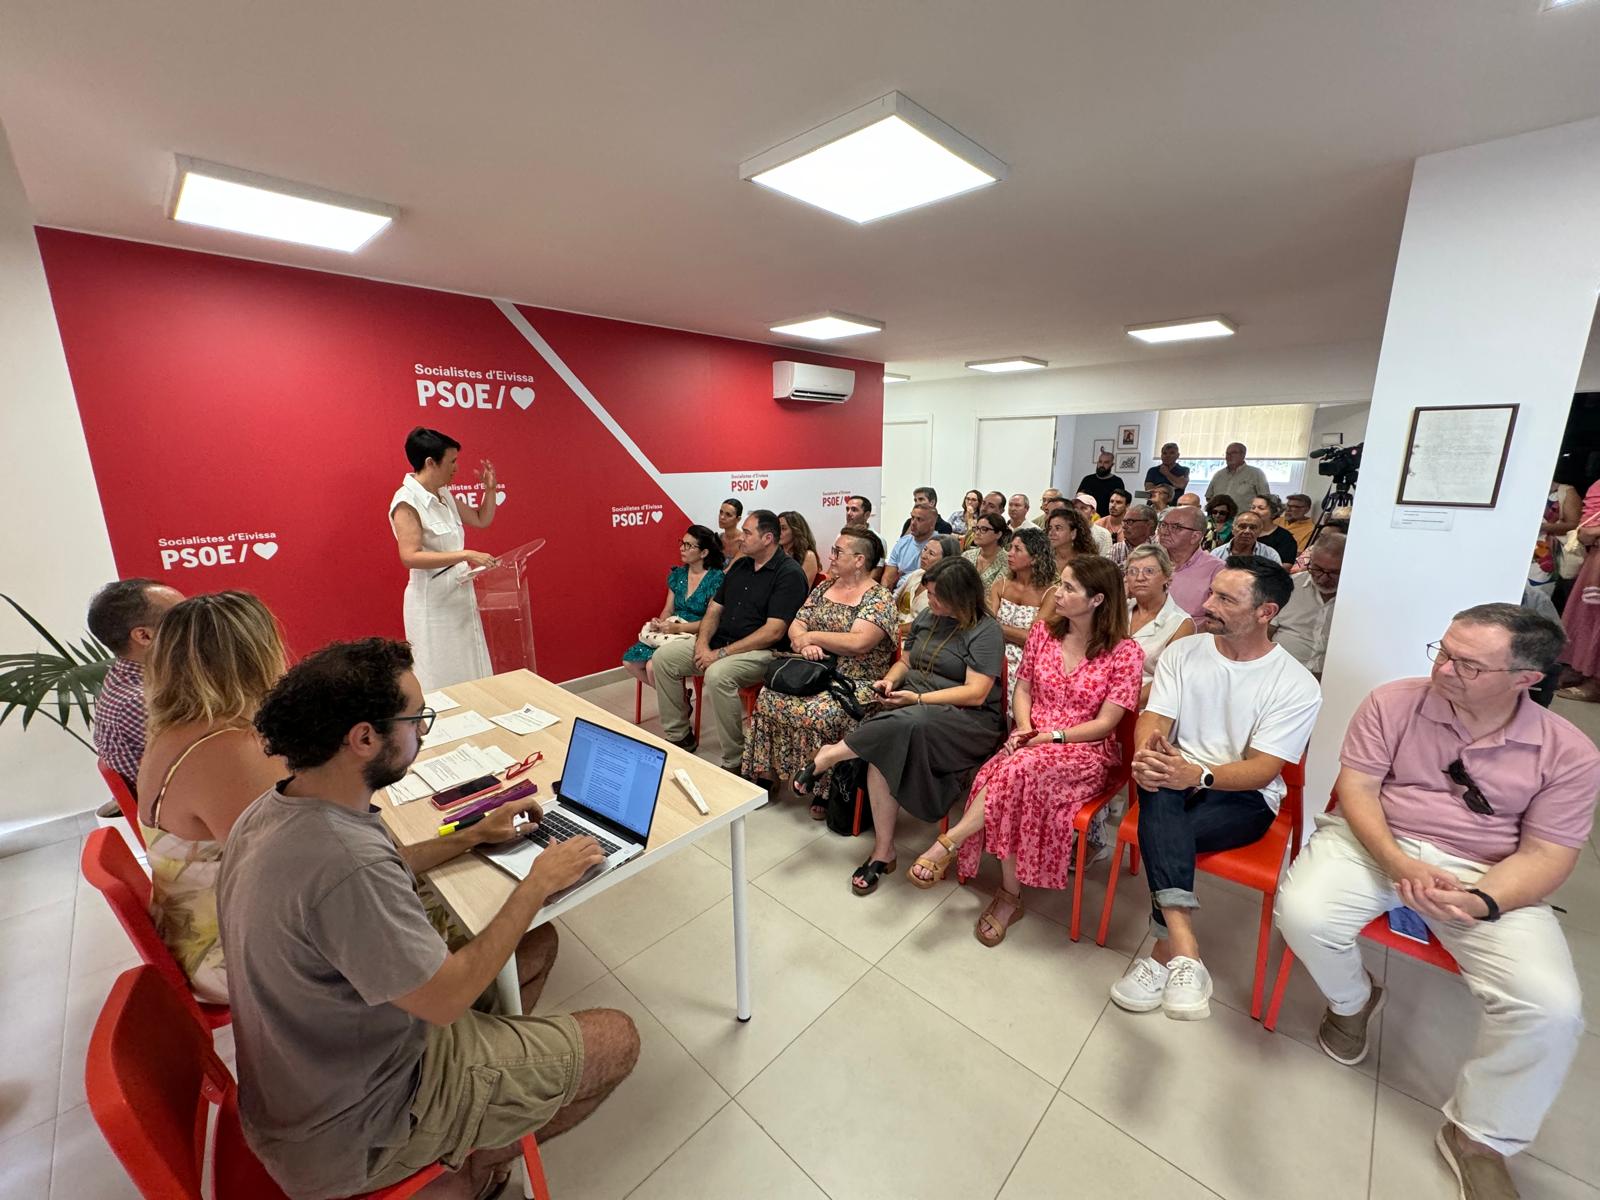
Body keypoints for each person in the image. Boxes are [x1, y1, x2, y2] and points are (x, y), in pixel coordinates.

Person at [221, 638, 639, 1200]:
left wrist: (471, 835)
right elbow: (444, 999)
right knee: (621, 1038)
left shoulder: (278, 807)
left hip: (321, 1070)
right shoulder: (345, 863)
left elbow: (372, 877)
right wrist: (538, 882)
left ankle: (494, 1090)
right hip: (362, 1123)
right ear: (364, 738)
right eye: (418, 720)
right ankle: (473, 1165)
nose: (423, 732)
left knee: (535, 948)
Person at [1276, 605, 1598, 1200]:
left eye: (1469, 664)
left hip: (1488, 870)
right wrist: (1399, 864)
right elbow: (1358, 789)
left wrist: (1482, 900)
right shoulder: (1394, 701)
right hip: (1377, 840)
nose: (1445, 669)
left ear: (1527, 678)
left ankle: (1479, 1136)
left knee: (1550, 1006)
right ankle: (1353, 1000)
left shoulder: (1568, 753)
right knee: (1303, 912)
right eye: (1443, 651)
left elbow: (1549, 855)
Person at [1109, 558, 1321, 1020]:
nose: (1208, 605)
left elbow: (1264, 770)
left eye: (1226, 599)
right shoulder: (1186, 653)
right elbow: (1155, 717)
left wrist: (1196, 774)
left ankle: (1165, 952)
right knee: (1163, 787)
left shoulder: (1295, 684)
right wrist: (1148, 751)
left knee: (1164, 822)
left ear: (1266, 612)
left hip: (1242, 796)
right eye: (1212, 592)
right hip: (1175, 780)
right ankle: (1187, 951)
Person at [911, 558, 1142, 944]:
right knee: (1016, 777)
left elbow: (1106, 724)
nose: (1058, 594)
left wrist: (1050, 737)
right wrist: (1023, 728)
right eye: (1061, 584)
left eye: (1069, 588)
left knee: (1014, 772)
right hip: (1030, 739)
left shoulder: (1125, 653)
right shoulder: (1044, 635)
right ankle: (1008, 895)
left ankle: (952, 845)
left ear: (1098, 599)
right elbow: (1024, 689)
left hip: (1083, 749)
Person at [800, 557, 1005, 895]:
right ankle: (884, 851)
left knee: (911, 720)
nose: (931, 602)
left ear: (961, 596)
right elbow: (906, 663)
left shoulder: (985, 630)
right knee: (887, 746)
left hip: (968, 719)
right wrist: (889, 682)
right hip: (913, 707)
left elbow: (976, 693)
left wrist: (918, 700)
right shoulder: (929, 616)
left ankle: (830, 755)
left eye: (938, 596)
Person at [136, 591, 289, 1005]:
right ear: (258, 656)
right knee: (447, 908)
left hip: (199, 929)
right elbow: (293, 873)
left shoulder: (178, 728)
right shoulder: (229, 748)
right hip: (227, 953)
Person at [748, 528, 896, 818]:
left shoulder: (879, 599)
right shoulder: (825, 586)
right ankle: (771, 772)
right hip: (811, 669)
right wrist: (804, 643)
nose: (831, 556)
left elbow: (858, 642)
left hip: (854, 679)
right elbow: (796, 624)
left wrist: (812, 637)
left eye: (838, 552)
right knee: (768, 697)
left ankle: (826, 786)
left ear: (859, 560)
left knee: (824, 711)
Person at [653, 509, 808, 764]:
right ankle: (679, 736)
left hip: (764, 652)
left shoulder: (788, 573)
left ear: (768, 538)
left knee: (718, 675)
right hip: (720, 642)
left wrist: (720, 654)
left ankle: (736, 759)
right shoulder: (742, 565)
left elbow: (774, 632)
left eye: (747, 533)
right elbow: (714, 608)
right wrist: (703, 645)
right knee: (664, 658)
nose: (741, 539)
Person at [390, 427, 501, 691]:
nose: (456, 468)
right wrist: (466, 554)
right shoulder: (406, 501)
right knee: (440, 676)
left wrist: (490, 490)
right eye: (452, 462)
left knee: (470, 670)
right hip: (434, 604)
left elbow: (480, 519)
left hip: (459, 596)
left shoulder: (444, 494)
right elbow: (410, 556)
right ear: (431, 462)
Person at [86, 578, 184, 789]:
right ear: (144, 636)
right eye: (183, 618)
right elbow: (207, 765)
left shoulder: (142, 676)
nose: (197, 624)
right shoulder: (139, 701)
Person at [620, 525, 725, 689]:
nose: (682, 548)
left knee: (652, 667)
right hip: (672, 630)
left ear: (704, 553)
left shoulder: (717, 578)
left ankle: (676, 705)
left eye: (689, 545)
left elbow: (712, 621)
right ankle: (681, 698)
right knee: (629, 662)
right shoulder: (678, 575)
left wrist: (677, 628)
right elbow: (668, 610)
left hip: (699, 635)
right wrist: (660, 622)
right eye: (682, 543)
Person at [1125, 545, 1195, 707]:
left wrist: (1119, 705)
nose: (1140, 578)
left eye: (1149, 571)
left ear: (1166, 577)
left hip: (1144, 706)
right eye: (1133, 571)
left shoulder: (1181, 624)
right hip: (1101, 698)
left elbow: (1166, 680)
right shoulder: (1120, 609)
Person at [989, 527, 1058, 692]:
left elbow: (1033, 639)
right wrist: (1012, 633)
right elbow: (985, 627)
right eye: (1010, 547)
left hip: (1029, 660)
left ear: (1035, 558)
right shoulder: (1000, 585)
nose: (1009, 553)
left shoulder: (1051, 593)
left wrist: (996, 627)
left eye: (1017, 549)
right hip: (994, 651)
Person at [1273, 530, 1344, 678]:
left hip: (1333, 678)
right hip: (1280, 672)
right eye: (1317, 569)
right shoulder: (1289, 586)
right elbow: (1265, 631)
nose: (1323, 579)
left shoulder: (1362, 598)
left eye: (1333, 573)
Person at [1557, 477, 1600, 701]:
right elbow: (1585, 532)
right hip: (1596, 564)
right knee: (1586, 618)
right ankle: (1581, 669)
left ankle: (1597, 682)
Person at [1155, 505, 1223, 619]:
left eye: (1176, 527)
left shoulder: (1216, 570)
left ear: (1195, 537)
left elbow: (1217, 617)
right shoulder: (1151, 561)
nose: (1165, 532)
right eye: (1163, 525)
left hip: (1192, 634)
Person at [897, 534, 962, 628]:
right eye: (925, 549)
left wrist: (893, 630)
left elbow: (927, 623)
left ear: (945, 560)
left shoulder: (946, 590)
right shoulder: (917, 574)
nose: (923, 556)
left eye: (931, 553)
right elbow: (894, 599)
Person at [883, 502, 939, 594]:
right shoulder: (902, 543)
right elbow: (888, 578)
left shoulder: (939, 546)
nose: (913, 523)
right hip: (899, 595)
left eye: (919, 519)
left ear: (932, 523)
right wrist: (885, 597)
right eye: (912, 518)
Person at [1205, 442, 1270, 512]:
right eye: (1227, 453)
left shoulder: (1256, 474)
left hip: (1243, 519)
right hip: (1220, 519)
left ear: (1243, 455)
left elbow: (1265, 500)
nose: (1229, 456)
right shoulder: (1218, 475)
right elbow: (1209, 497)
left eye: (1233, 453)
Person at [1045, 507, 1098, 581]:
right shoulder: (1043, 559)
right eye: (1050, 528)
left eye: (1058, 528)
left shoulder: (1087, 563)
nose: (1051, 533)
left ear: (1073, 533)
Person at [962, 511, 1009, 591]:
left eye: (984, 529)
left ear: (998, 534)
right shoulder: (966, 555)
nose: (977, 533)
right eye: (976, 528)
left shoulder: (1007, 561)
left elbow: (997, 592)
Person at [1209, 512, 1282, 563]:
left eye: (1253, 528)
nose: (1247, 531)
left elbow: (1277, 582)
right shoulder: (1217, 554)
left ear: (1260, 532)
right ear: (1232, 529)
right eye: (1242, 527)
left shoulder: (1270, 555)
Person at [1248, 496, 1300, 562]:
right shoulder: (1240, 530)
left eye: (1261, 508)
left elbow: (1285, 566)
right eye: (1253, 507)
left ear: (1273, 513)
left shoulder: (1285, 537)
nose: (1254, 511)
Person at [778, 510, 822, 582]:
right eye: (777, 528)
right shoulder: (776, 553)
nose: (778, 532)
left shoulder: (808, 556)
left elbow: (801, 589)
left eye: (783, 528)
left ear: (796, 530)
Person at [1077, 450, 1125, 516]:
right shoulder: (1088, 480)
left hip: (1107, 519)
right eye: (1100, 462)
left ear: (1112, 464)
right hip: (1087, 517)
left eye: (1106, 462)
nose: (1102, 465)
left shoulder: (1117, 482)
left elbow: (1120, 504)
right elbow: (1079, 499)